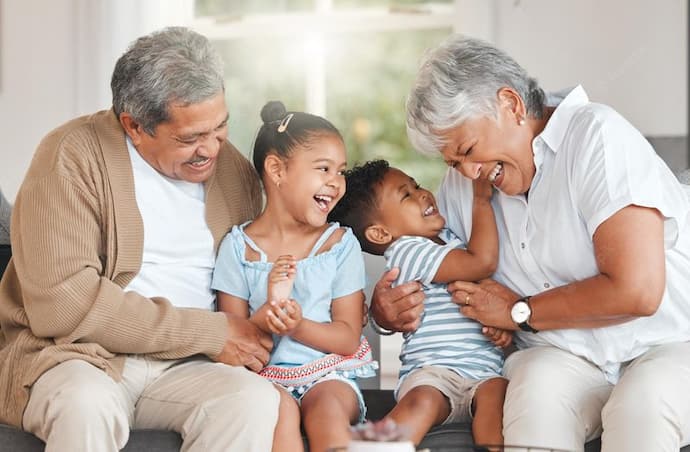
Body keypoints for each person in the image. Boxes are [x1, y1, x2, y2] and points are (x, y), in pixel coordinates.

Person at [371, 34, 690, 452]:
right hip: (560, 352)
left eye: (469, 149)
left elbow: (637, 291)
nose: (468, 172)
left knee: (639, 407)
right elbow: (436, 267)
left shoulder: (597, 136)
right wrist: (385, 313)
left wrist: (518, 311)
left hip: (667, 342)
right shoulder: (465, 183)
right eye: (453, 162)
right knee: (533, 400)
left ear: (511, 105)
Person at [0, 27, 285, 452]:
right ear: (134, 125)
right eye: (190, 138)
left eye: (220, 127)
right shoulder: (71, 155)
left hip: (188, 367)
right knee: (85, 404)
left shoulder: (233, 172)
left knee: (252, 401)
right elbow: (63, 305)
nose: (211, 149)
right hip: (78, 357)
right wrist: (209, 333)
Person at [211, 101, 377, 452]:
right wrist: (271, 313)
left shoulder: (339, 244)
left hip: (329, 374)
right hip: (263, 379)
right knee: (277, 413)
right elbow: (233, 337)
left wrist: (297, 326)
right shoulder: (238, 249)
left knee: (327, 409)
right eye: (323, 169)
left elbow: (348, 338)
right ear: (277, 169)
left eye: (340, 171)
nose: (336, 183)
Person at [328, 159, 510, 448]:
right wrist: (481, 199)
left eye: (416, 185)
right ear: (380, 234)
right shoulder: (407, 250)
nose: (422, 193)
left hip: (485, 372)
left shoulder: (450, 239)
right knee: (421, 402)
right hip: (433, 372)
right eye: (406, 195)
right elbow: (482, 262)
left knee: (499, 397)